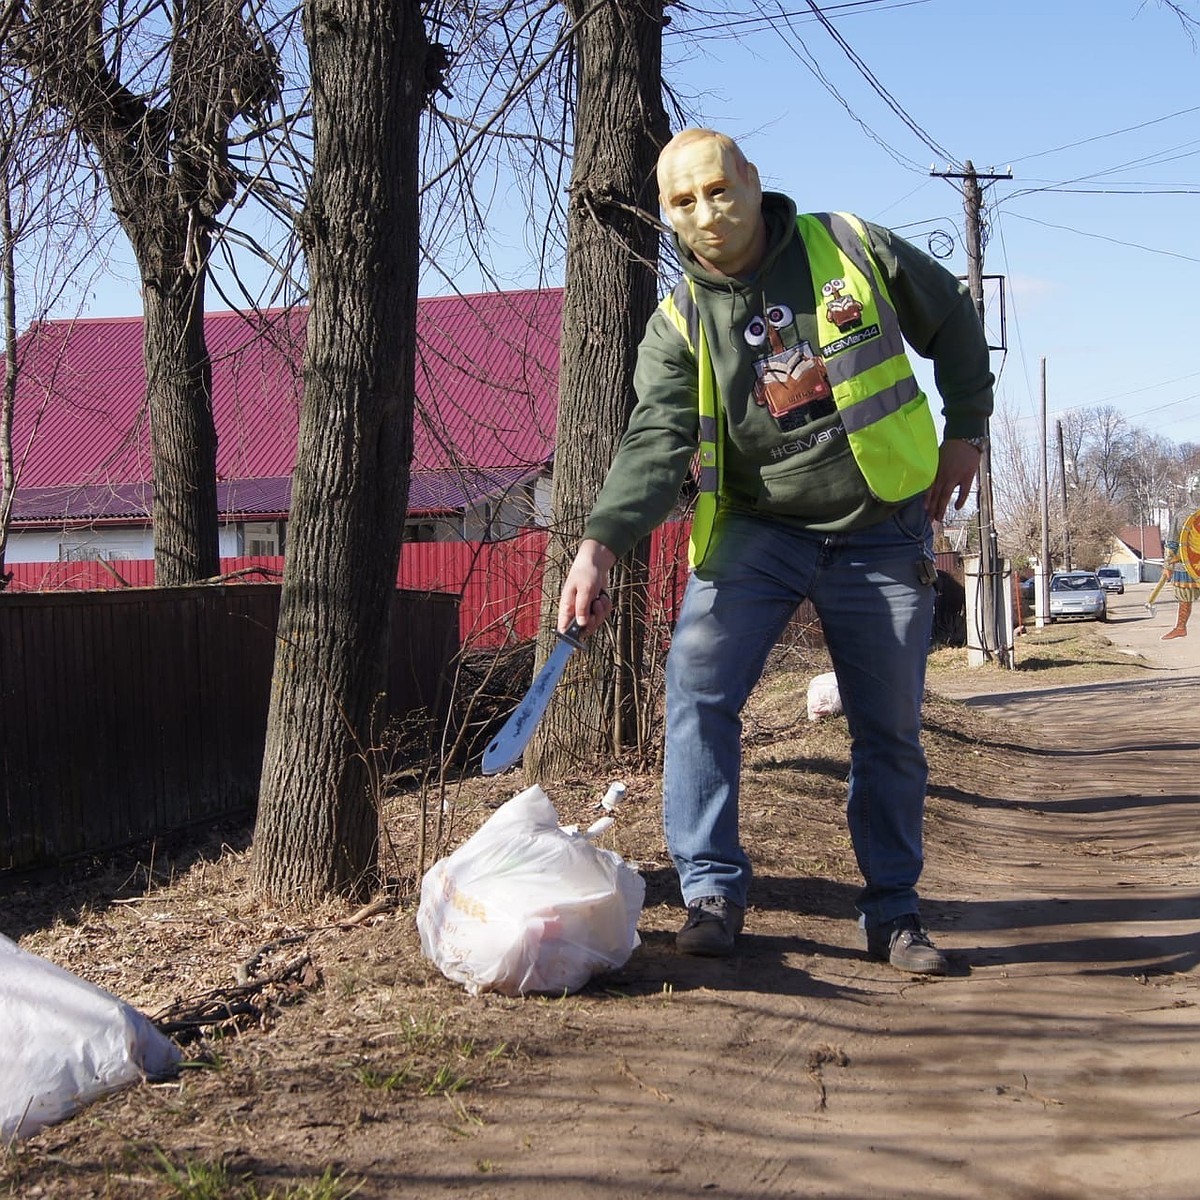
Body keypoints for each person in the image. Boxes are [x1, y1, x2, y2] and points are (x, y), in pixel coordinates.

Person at [557, 128, 994, 974]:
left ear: (754, 182)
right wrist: (600, 546)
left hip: (881, 526)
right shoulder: (678, 322)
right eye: (684, 201)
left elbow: (953, 317)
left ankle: (894, 914)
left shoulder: (851, 249)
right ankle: (712, 893)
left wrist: (967, 430)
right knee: (696, 690)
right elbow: (654, 442)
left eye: (720, 189)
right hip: (759, 533)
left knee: (889, 727)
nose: (707, 212)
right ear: (667, 214)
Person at [1160, 506, 1200, 640]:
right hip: (1186, 563)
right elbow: (1172, 542)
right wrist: (1168, 565)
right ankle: (1180, 628)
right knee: (1184, 599)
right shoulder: (1181, 514)